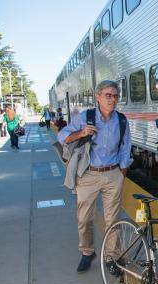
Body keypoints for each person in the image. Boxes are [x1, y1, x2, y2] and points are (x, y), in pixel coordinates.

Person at [57, 80, 132, 273]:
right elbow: (62, 136)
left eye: (115, 96)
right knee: (84, 218)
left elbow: (125, 148)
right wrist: (80, 132)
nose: (113, 99)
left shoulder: (121, 120)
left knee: (113, 219)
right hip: (88, 175)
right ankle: (87, 252)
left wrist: (121, 173)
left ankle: (111, 257)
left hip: (113, 174)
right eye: (108, 95)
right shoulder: (85, 117)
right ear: (98, 97)